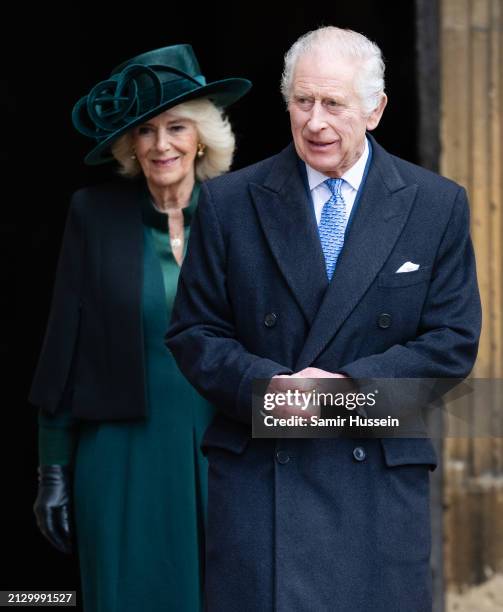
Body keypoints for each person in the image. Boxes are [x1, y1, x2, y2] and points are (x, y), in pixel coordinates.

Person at [166, 27, 481, 612]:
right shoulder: (232, 202)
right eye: (302, 101)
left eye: (333, 103)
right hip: (263, 481)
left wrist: (345, 395)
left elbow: (452, 341)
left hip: (376, 487)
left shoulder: (436, 204)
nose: (314, 122)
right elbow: (194, 331)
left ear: (375, 109)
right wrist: (272, 393)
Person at [29, 44, 251, 612]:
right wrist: (53, 466)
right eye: (145, 131)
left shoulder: (245, 214)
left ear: (201, 136)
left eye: (176, 126)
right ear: (129, 145)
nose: (161, 145)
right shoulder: (92, 214)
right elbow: (63, 345)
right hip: (122, 454)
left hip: (226, 451)